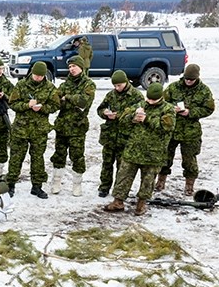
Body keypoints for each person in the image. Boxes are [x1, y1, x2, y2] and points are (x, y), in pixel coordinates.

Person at [104, 83, 176, 216]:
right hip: (133, 149)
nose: (149, 102)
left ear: (160, 97)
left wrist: (147, 119)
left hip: (153, 154)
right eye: (148, 99)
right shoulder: (140, 105)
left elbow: (167, 127)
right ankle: (118, 201)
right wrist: (133, 118)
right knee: (123, 176)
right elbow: (122, 118)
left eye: (153, 100)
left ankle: (141, 204)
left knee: (148, 181)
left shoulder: (168, 109)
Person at [156, 63, 215, 196]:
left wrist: (191, 112)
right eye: (187, 78)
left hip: (191, 132)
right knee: (165, 157)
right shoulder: (173, 87)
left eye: (191, 80)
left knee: (189, 160)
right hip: (172, 129)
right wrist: (172, 109)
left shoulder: (204, 91)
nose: (188, 81)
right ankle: (160, 181)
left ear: (197, 78)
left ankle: (189, 185)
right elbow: (162, 103)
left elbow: (209, 108)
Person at [7, 61, 60, 199]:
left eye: (41, 76)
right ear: (32, 73)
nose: (38, 78)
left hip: (39, 130)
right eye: (36, 75)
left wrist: (42, 108)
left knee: (38, 159)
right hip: (21, 128)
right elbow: (12, 103)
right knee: (16, 158)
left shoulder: (50, 88)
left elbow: (55, 105)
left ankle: (37, 187)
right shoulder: (21, 85)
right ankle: (10, 185)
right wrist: (26, 105)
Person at [50, 55, 96, 196]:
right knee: (59, 155)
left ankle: (77, 185)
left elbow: (84, 102)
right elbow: (57, 102)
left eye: (74, 66)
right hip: (62, 126)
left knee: (77, 156)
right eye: (69, 67)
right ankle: (56, 182)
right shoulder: (64, 84)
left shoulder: (88, 84)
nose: (71, 69)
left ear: (81, 67)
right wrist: (69, 100)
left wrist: (68, 97)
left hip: (77, 127)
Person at [96, 70, 144, 197]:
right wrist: (105, 113)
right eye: (115, 86)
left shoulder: (136, 96)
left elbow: (141, 113)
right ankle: (104, 187)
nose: (117, 88)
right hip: (110, 136)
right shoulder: (111, 95)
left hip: (125, 137)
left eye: (119, 85)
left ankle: (119, 189)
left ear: (126, 82)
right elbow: (100, 109)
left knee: (122, 166)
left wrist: (129, 117)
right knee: (107, 163)